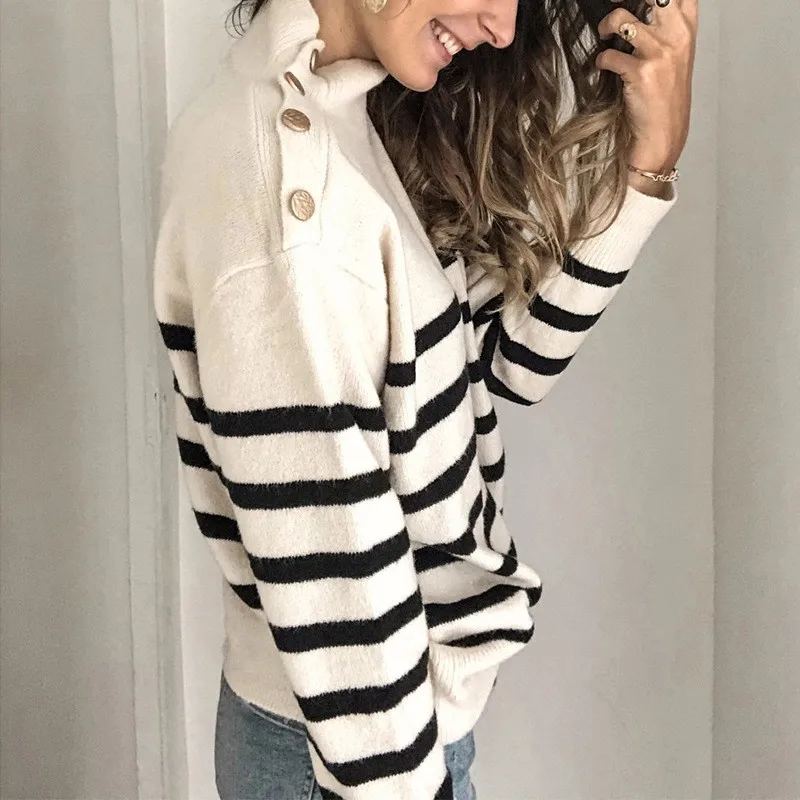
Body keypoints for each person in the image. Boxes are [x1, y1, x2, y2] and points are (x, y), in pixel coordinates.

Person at [152, 0, 696, 795]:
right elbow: (344, 604)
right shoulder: (291, 204)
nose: (504, 29)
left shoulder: (345, 113)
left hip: (380, 736)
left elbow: (512, 361)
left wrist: (648, 166)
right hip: (359, 757)